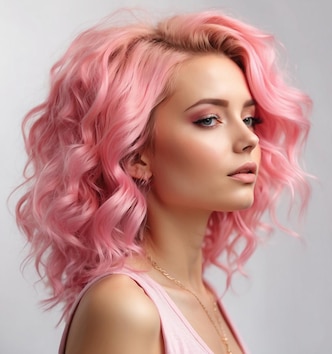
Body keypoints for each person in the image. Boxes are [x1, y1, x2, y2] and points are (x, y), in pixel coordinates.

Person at [15, 9, 311, 354]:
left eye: (249, 118)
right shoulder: (124, 308)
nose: (249, 139)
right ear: (137, 155)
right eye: (209, 119)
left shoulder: (203, 296)